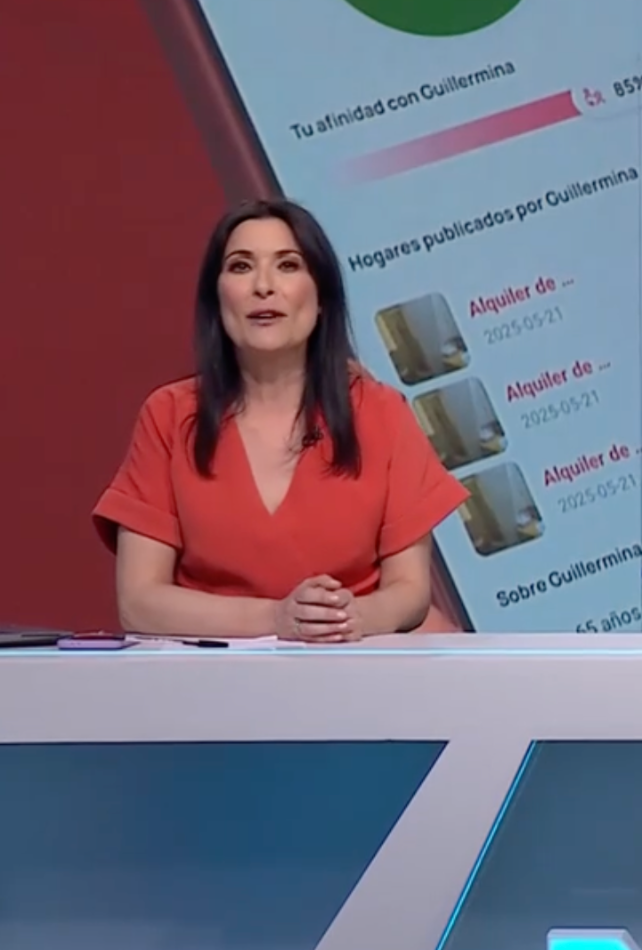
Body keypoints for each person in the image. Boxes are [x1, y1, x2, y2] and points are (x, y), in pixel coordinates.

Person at [92, 199, 469, 642]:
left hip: (357, 660)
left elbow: (409, 591)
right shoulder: (169, 415)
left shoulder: (382, 412)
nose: (263, 286)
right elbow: (139, 602)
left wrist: (351, 618)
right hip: (212, 670)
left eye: (288, 265)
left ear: (322, 297)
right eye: (241, 267)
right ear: (217, 298)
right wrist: (277, 619)